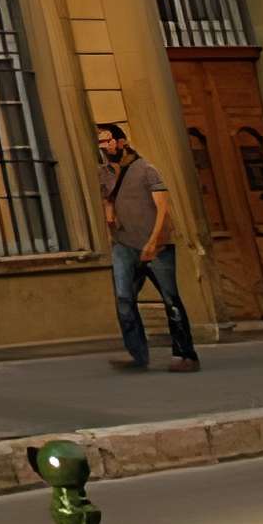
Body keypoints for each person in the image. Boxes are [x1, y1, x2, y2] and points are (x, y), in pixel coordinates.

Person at [96, 122, 199, 372]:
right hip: (124, 245)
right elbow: (108, 199)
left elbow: (162, 207)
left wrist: (153, 241)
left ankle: (185, 355)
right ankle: (137, 355)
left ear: (121, 142)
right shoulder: (104, 173)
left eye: (108, 141)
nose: (105, 147)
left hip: (157, 245)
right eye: (100, 143)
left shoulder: (146, 170)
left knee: (170, 299)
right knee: (124, 298)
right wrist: (110, 216)